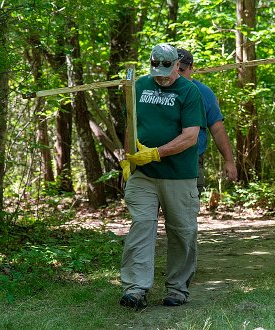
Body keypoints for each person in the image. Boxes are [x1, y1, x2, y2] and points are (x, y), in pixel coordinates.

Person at [119, 43, 205, 310]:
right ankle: (135, 289)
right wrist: (128, 159)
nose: (162, 77)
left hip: (179, 176)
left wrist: (156, 153)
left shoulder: (189, 92)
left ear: (177, 66)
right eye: (157, 71)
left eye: (167, 72)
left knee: (181, 232)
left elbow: (190, 137)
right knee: (141, 225)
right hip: (143, 175)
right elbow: (131, 124)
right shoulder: (139, 86)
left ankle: (177, 288)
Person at [177, 48, 238, 196]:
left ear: (191, 68)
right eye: (174, 68)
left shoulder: (203, 92)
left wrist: (229, 161)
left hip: (191, 161)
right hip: (158, 161)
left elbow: (217, 129)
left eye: (182, 69)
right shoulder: (158, 89)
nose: (178, 73)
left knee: (187, 215)